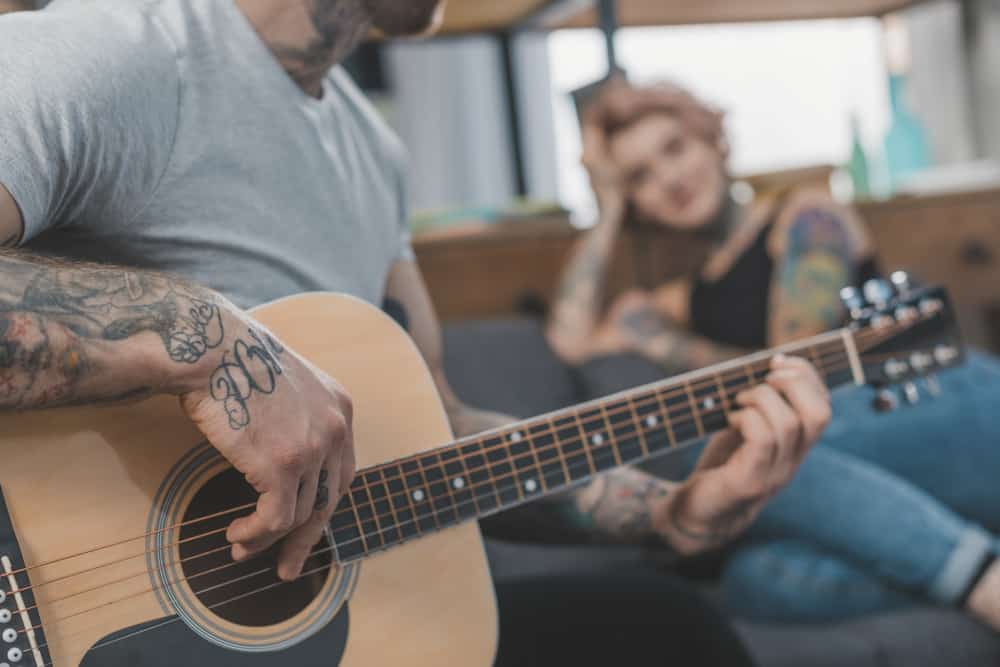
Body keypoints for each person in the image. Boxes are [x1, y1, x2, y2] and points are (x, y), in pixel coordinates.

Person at [0, 2, 833, 664]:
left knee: (665, 628)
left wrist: (669, 509)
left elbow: (441, 427)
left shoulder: (375, 152)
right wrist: (206, 335)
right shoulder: (118, 51)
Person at [546, 79, 1000, 629]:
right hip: (866, 469)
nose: (668, 179)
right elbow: (569, 340)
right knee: (759, 579)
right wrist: (607, 209)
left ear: (713, 141)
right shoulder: (695, 290)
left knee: (722, 454)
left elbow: (797, 369)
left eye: (675, 148)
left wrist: (665, 345)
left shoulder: (807, 216)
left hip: (943, 406)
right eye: (639, 177)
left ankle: (978, 575)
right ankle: (949, 544)